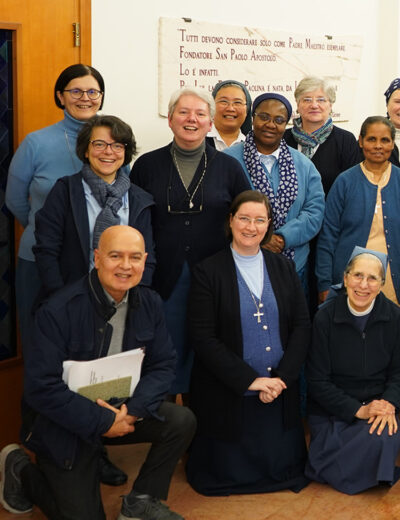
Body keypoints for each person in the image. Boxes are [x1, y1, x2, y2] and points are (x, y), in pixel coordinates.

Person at [0, 226, 196, 520]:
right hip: (65, 422)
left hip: (122, 410)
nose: (126, 266)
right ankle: (21, 470)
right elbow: (41, 388)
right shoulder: (57, 310)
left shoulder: (150, 302)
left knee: (181, 420)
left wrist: (133, 412)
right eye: (115, 256)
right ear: (97, 257)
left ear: (144, 261)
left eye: (134, 257)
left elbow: (163, 364)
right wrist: (102, 421)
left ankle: (141, 501)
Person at [185, 191, 311, 495]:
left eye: (259, 220)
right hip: (230, 395)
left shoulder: (284, 268)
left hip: (278, 391)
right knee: (228, 468)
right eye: (244, 218)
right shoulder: (207, 271)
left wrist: (282, 379)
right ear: (231, 221)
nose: (251, 227)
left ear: (268, 225)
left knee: (282, 466)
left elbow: (302, 326)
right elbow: (203, 338)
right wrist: (250, 380)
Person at [130, 88, 251, 397]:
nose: (191, 119)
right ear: (170, 119)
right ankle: (169, 418)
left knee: (209, 355)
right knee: (163, 355)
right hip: (161, 277)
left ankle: (205, 423)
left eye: (200, 114)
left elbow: (247, 215)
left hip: (215, 277)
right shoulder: (146, 165)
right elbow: (133, 222)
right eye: (183, 112)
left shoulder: (229, 168)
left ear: (210, 123)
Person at [306, 247, 400, 494]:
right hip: (334, 409)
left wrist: (388, 403)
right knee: (348, 440)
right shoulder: (324, 318)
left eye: (372, 278)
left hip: (377, 404)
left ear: (382, 284)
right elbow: (317, 380)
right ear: (345, 279)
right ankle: (354, 467)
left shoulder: (395, 317)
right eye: (357, 276)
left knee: (386, 434)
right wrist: (358, 410)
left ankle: (335, 466)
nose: (363, 285)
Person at [6, 64, 103, 335]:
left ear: (101, 96)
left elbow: (124, 192)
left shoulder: (112, 140)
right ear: (60, 96)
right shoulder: (36, 143)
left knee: (92, 342)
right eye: (76, 91)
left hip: (97, 260)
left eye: (93, 92)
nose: (85, 98)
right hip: (41, 257)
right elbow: (14, 199)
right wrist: (44, 228)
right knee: (41, 338)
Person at [34, 114, 156, 299]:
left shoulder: (140, 200)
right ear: (86, 150)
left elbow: (147, 258)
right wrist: (62, 298)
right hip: (71, 297)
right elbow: (46, 251)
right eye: (99, 144)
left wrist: (132, 301)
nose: (108, 152)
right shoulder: (65, 191)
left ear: (125, 152)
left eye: (117, 145)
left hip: (124, 298)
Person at [316, 116, 400, 306]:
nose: (378, 146)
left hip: (394, 281)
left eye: (385, 140)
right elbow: (328, 236)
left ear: (392, 144)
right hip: (350, 280)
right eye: (371, 139)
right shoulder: (344, 181)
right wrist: (324, 283)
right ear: (360, 141)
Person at [223, 92, 325, 286]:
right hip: (239, 265)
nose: (270, 124)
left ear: (286, 124)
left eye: (279, 120)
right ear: (252, 118)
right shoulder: (227, 160)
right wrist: (260, 237)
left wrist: (282, 238)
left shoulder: (304, 165)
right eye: (264, 117)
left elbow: (315, 211)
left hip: (294, 267)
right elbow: (220, 208)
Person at [284, 76, 361, 192]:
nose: (314, 105)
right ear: (298, 105)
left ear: (330, 105)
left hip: (331, 204)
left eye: (321, 100)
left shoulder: (345, 140)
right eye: (307, 100)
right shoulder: (282, 139)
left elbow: (352, 186)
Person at [207, 79, 251, 150]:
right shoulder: (197, 139)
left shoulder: (253, 147)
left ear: (247, 110)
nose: (230, 108)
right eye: (224, 101)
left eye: (238, 102)